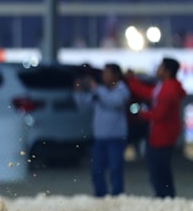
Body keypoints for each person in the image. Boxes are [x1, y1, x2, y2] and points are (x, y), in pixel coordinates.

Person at [126, 57, 187, 198]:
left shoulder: (168, 89)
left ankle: (165, 198)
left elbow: (159, 114)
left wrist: (141, 113)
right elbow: (146, 92)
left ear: (167, 71)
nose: (157, 69)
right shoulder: (165, 86)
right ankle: (165, 197)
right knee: (160, 170)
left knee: (160, 171)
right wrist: (132, 80)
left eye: (160, 67)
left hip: (162, 136)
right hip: (161, 135)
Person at [74, 64, 130, 197]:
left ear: (116, 75)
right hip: (100, 138)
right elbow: (83, 104)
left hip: (116, 137)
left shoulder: (122, 90)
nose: (103, 77)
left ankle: (117, 195)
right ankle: (100, 196)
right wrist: (78, 90)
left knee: (115, 169)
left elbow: (115, 103)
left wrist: (96, 89)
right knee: (97, 170)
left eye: (107, 74)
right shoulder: (99, 91)